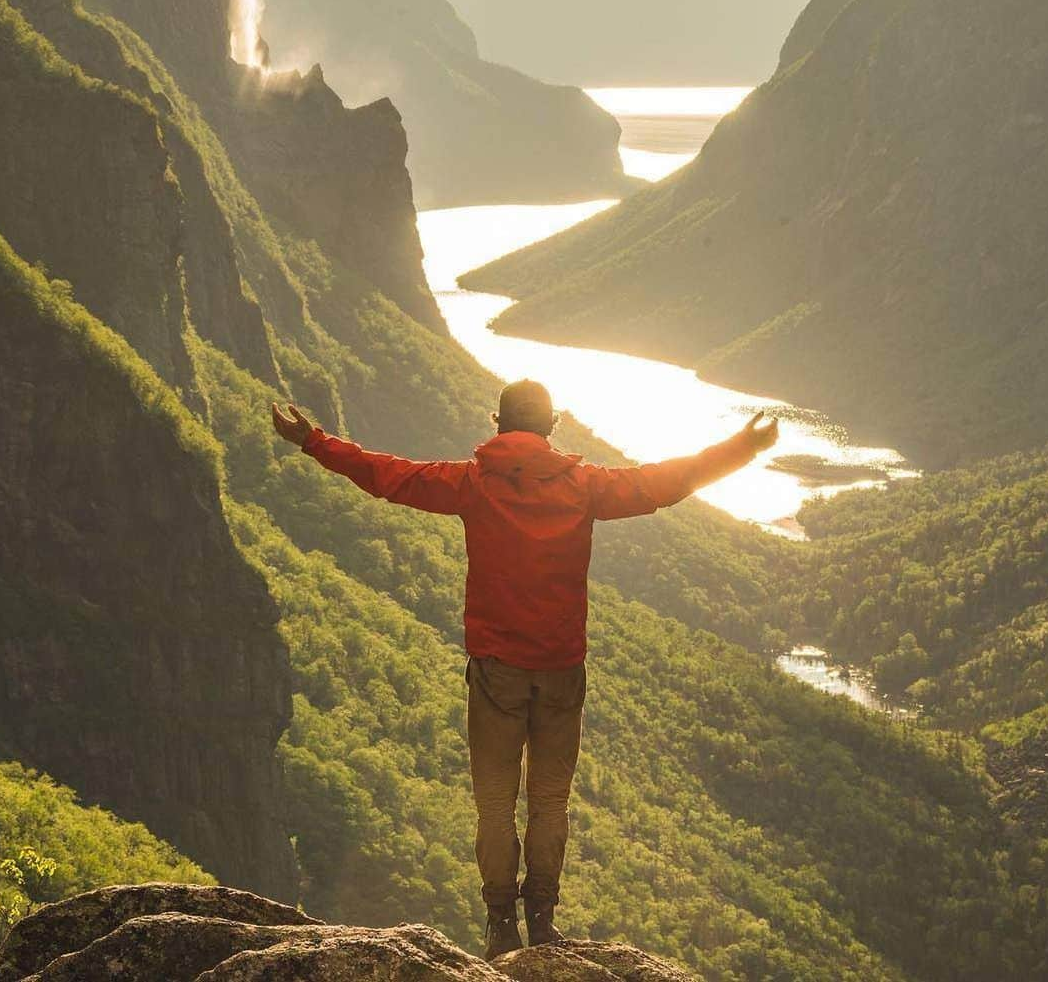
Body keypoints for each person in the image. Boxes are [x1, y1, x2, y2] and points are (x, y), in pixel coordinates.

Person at [272, 379, 777, 960]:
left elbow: (388, 475)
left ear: (496, 422)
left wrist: (313, 441)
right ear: (552, 424)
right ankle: (541, 919)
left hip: (496, 671)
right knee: (549, 802)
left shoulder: (471, 482)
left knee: (493, 804)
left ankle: (498, 923)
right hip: (561, 669)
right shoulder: (585, 486)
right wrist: (742, 449)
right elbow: (661, 482)